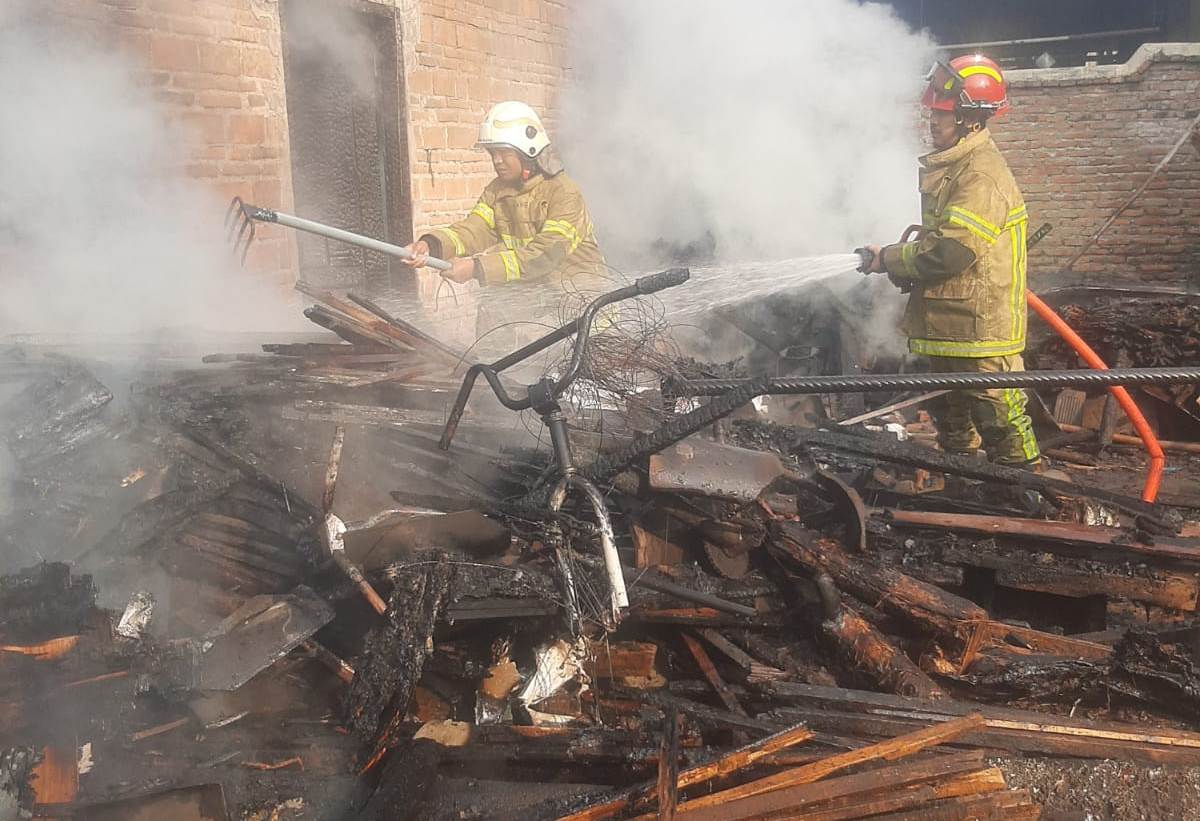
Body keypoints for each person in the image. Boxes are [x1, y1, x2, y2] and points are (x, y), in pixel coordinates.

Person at [861, 54, 1040, 468]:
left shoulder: (981, 176)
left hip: (980, 330)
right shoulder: (958, 167)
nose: (932, 121)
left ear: (970, 119)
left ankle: (1028, 490)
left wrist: (889, 259)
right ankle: (965, 481)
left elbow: (951, 252)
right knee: (951, 415)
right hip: (952, 324)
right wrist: (888, 257)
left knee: (1001, 418)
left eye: (941, 114)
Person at [403, 101, 608, 351]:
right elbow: (474, 229)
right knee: (494, 314)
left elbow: (543, 256)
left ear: (527, 150)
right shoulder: (497, 191)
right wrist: (431, 245)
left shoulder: (564, 193)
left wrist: (477, 268)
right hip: (538, 301)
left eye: (503, 153)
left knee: (573, 381)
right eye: (492, 154)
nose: (497, 161)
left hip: (581, 311)